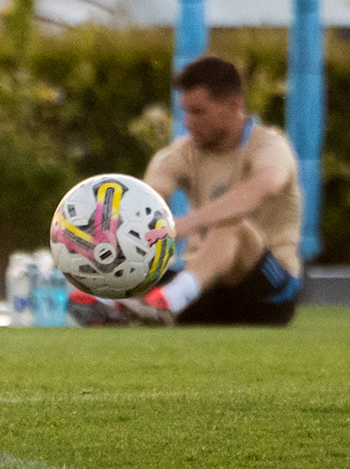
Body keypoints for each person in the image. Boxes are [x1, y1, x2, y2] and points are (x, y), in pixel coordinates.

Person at [99, 54, 301, 327]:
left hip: (269, 292)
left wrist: (184, 225)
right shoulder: (180, 154)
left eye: (198, 112)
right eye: (185, 111)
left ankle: (166, 301)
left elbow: (263, 185)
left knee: (233, 224)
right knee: (129, 278)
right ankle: (132, 302)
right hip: (206, 287)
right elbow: (147, 205)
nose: (187, 122)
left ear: (233, 105)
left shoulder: (269, 146)